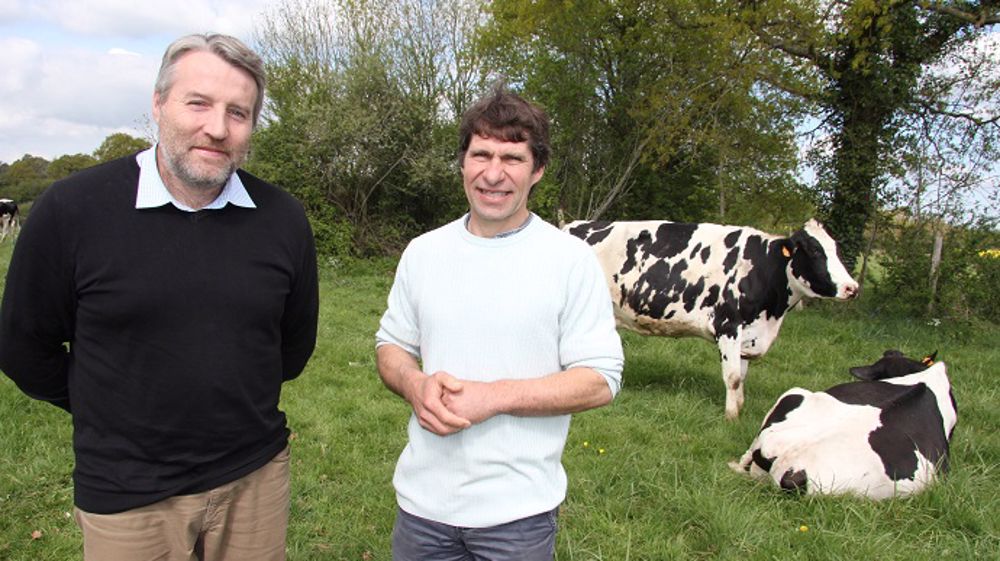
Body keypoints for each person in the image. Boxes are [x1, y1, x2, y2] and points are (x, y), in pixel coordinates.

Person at [0, 33, 319, 561]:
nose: (217, 128)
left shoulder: (282, 218)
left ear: (252, 126)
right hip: (129, 493)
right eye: (198, 103)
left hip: (254, 479)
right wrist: (108, 406)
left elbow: (292, 347)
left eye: (238, 113)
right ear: (158, 103)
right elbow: (22, 347)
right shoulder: (72, 209)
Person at [375, 87, 624, 560]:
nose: (493, 173)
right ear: (463, 162)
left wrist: (494, 397)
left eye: (512, 158)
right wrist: (413, 383)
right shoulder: (423, 253)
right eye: (481, 154)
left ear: (538, 169)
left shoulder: (569, 260)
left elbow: (600, 379)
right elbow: (391, 345)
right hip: (421, 509)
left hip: (518, 518)